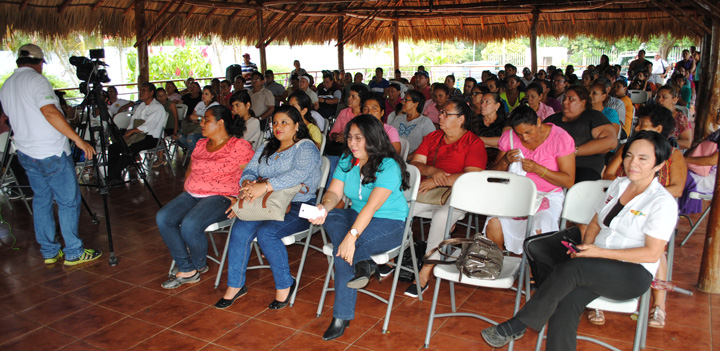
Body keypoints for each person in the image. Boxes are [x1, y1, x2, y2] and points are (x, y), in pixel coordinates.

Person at [482, 130, 677, 350]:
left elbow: (651, 254)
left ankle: (519, 323)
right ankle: (555, 294)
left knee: (575, 269)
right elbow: (595, 223)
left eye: (643, 158)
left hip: (631, 273)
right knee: (538, 248)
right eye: (629, 155)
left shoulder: (662, 203)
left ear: (658, 165)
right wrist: (588, 246)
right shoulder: (619, 185)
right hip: (597, 262)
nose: (632, 163)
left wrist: (597, 253)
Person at [309, 114, 410, 341]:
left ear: (373, 139)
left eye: (358, 138)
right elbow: (334, 193)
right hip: (357, 215)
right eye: (350, 138)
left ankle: (340, 317)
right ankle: (364, 263)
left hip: (389, 223)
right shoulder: (348, 160)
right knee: (333, 216)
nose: (352, 143)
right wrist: (323, 207)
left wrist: (351, 236)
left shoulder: (388, 165)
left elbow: (372, 208)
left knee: (344, 249)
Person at [0, 43, 101, 265]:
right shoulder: (36, 80)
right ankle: (74, 252)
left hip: (26, 152)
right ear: (39, 62)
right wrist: (78, 139)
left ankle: (49, 251)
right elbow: (48, 111)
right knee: (67, 202)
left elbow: (9, 116)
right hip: (50, 152)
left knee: (42, 200)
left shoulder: (7, 84)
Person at [215, 106, 321, 310]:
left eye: (284, 122)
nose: (278, 127)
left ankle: (285, 285)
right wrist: (247, 183)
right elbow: (251, 169)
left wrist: (264, 186)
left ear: (297, 125)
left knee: (267, 234)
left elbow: (298, 174)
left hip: (298, 205)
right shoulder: (267, 146)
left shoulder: (306, 147)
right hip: (264, 202)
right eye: (275, 123)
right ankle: (235, 285)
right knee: (239, 229)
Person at [601, 104, 687, 328]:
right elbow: (610, 173)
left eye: (642, 124)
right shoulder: (627, 149)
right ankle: (596, 298)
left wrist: (645, 197)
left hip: (653, 212)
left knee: (657, 252)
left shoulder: (674, 155)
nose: (636, 127)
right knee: (598, 232)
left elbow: (677, 188)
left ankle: (659, 306)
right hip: (622, 203)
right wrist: (625, 193)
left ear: (658, 129)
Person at [157, 105, 254, 289]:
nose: (201, 123)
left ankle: (195, 266)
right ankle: (187, 267)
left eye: (206, 120)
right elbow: (190, 169)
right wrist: (189, 187)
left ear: (220, 123)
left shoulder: (239, 146)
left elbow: (251, 175)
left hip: (222, 197)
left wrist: (240, 198)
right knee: (163, 217)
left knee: (190, 224)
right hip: (193, 194)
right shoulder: (201, 144)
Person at [405, 100, 487, 298]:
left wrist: (439, 181)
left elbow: (471, 176)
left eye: (445, 114)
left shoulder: (473, 143)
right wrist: (432, 171)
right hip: (429, 193)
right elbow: (416, 162)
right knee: (400, 208)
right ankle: (402, 252)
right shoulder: (433, 137)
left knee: (442, 217)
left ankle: (426, 270)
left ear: (461, 119)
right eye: (440, 112)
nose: (439, 116)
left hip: (459, 194)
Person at [486, 105, 575, 254]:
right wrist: (505, 161)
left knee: (541, 227)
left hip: (547, 197)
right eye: (519, 134)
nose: (524, 138)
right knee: (493, 222)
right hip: (516, 196)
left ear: (539, 122)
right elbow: (494, 174)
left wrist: (539, 170)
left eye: (528, 132)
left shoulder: (560, 138)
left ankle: (534, 273)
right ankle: (497, 263)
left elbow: (568, 181)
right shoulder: (509, 137)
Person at [545, 86, 617, 182]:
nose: (565, 102)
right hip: (552, 168)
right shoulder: (553, 119)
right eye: (564, 99)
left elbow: (610, 142)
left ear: (583, 103)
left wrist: (572, 152)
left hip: (584, 169)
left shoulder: (593, 116)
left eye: (571, 99)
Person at [107, 82, 167, 184]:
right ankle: (115, 177)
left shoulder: (157, 107)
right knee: (113, 148)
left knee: (131, 149)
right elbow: (132, 121)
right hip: (137, 135)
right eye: (141, 90)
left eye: (144, 90)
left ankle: (112, 175)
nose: (141, 92)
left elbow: (149, 126)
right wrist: (128, 133)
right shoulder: (141, 106)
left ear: (152, 92)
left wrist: (132, 131)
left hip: (151, 137)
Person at [177, 85, 220, 155]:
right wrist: (199, 118)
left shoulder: (215, 105)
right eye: (203, 93)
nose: (203, 95)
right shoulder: (200, 103)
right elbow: (192, 116)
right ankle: (197, 152)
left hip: (207, 131)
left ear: (212, 96)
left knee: (190, 138)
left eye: (206, 94)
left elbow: (209, 119)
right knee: (179, 136)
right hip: (195, 127)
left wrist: (199, 118)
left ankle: (199, 154)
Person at [389, 90, 434, 155]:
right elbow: (388, 136)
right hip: (393, 154)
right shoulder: (398, 118)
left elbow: (428, 146)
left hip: (412, 158)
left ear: (416, 104)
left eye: (406, 100)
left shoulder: (425, 122)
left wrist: (409, 158)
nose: (402, 102)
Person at [656, 84, 692, 149]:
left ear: (674, 100)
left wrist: (666, 143)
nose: (659, 100)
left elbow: (687, 142)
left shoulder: (680, 118)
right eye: (658, 96)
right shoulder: (652, 114)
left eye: (664, 97)